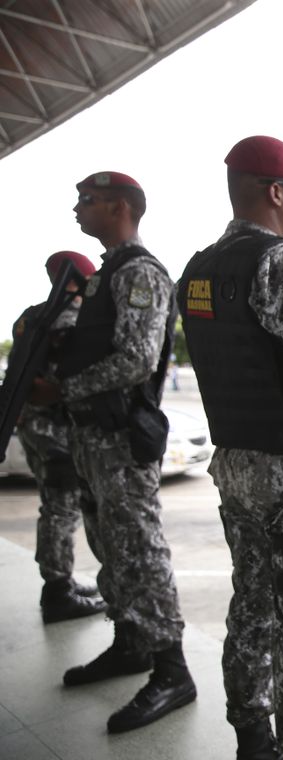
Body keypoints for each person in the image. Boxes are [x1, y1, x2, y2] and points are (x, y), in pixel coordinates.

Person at [177, 135, 283, 760]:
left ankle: (252, 733)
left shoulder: (197, 269)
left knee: (251, 601)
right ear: (276, 192)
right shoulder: (282, 263)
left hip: (235, 466)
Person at [42, 171, 195, 733]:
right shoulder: (107, 275)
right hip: (92, 437)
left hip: (120, 437)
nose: (77, 210)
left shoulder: (139, 273)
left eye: (88, 201)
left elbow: (135, 359)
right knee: (111, 547)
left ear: (121, 207)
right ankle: (131, 643)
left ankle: (172, 669)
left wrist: (63, 389)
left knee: (140, 551)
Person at [13, 251, 107, 623]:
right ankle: (57, 592)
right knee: (62, 509)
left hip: (34, 426)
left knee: (53, 505)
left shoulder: (33, 315)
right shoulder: (73, 317)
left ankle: (60, 583)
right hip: (57, 430)